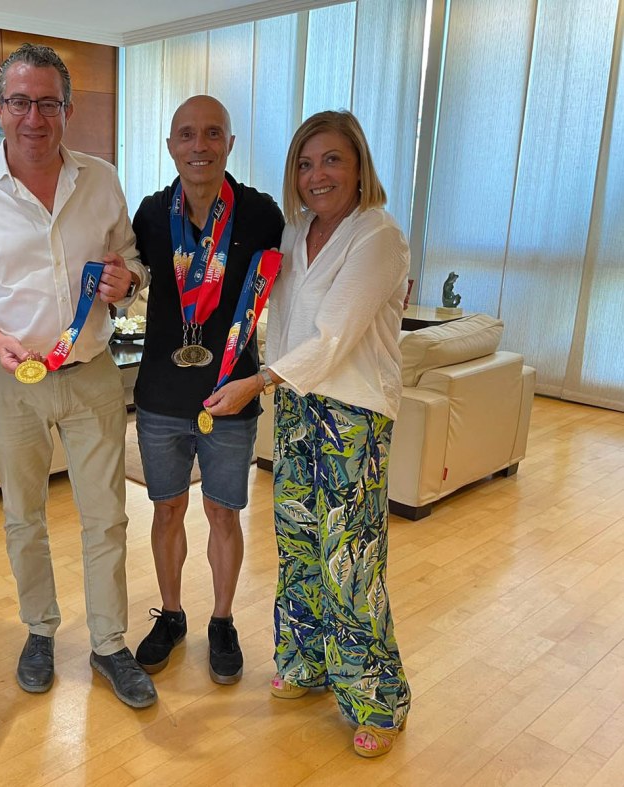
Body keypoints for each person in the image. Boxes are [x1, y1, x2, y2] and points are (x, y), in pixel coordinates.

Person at [0, 43, 156, 709]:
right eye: (20, 102)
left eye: (48, 104)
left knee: (106, 515)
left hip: (91, 374)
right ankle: (39, 629)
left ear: (68, 110)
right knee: (24, 515)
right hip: (10, 380)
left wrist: (127, 282)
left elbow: (132, 263)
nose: (35, 118)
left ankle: (109, 643)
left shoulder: (101, 179)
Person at [219, 109, 412, 757]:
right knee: (299, 541)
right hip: (298, 406)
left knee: (349, 557)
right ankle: (307, 662)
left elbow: (334, 336)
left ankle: (378, 699)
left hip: (353, 413)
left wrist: (255, 382)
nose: (316, 174)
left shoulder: (378, 236)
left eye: (331, 160)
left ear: (358, 167)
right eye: (305, 164)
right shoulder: (297, 231)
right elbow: (278, 317)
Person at [130, 95, 284, 684]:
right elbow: (128, 278)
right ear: (171, 145)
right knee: (167, 508)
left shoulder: (260, 214)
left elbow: (296, 281)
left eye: (213, 133)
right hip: (160, 396)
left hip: (232, 394)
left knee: (223, 512)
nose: (200, 146)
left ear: (230, 144)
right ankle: (171, 615)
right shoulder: (150, 215)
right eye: (187, 134)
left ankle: (222, 621)